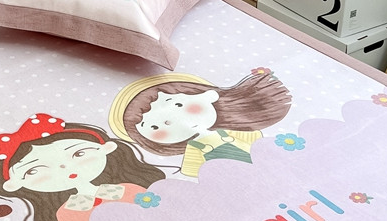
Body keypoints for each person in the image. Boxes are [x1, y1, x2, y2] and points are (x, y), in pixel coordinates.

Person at [0, 113, 165, 221]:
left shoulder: (129, 189)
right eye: (34, 170)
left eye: (79, 153)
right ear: (12, 184)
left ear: (106, 148)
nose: (64, 168)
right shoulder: (65, 214)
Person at [108, 72, 292, 180]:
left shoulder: (237, 133)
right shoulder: (194, 151)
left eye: (177, 104)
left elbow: (260, 147)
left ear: (209, 96)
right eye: (152, 126)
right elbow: (196, 176)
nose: (168, 121)